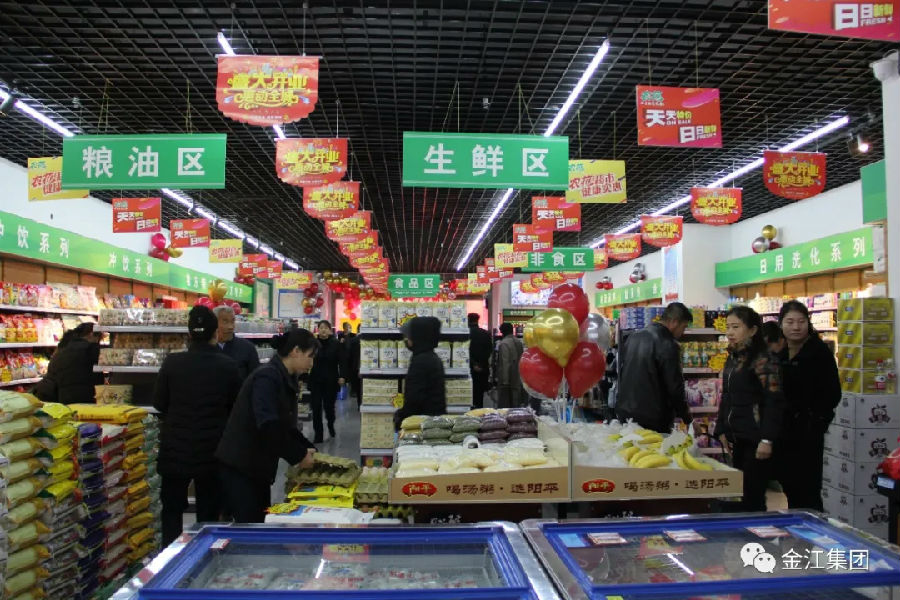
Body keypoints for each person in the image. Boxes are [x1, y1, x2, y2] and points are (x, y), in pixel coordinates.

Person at [153, 306, 241, 545]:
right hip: (212, 450)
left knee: (172, 509)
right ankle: (204, 556)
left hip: (175, 449)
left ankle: (169, 556)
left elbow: (159, 403)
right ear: (215, 333)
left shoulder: (172, 363)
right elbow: (236, 407)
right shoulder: (228, 366)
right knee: (208, 512)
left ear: (189, 334)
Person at [216, 328, 319, 523]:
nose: (312, 363)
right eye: (310, 356)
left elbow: (284, 425)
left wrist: (307, 448)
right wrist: (298, 455)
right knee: (250, 525)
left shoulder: (283, 377)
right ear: (296, 351)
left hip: (257, 467)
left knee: (259, 519)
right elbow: (268, 425)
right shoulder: (267, 378)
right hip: (242, 467)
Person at [713, 306, 785, 512]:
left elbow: (774, 400)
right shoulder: (734, 357)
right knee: (741, 493)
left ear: (753, 330)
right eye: (728, 327)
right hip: (738, 437)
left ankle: (759, 531)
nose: (730, 332)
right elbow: (727, 395)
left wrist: (767, 439)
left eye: (736, 327)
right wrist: (722, 428)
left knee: (753, 496)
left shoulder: (763, 359)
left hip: (756, 438)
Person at [773, 300, 842, 511]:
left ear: (808, 323)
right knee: (789, 485)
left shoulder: (819, 352)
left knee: (808, 488)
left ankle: (811, 526)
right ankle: (795, 525)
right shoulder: (780, 352)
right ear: (781, 324)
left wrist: (817, 420)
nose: (796, 327)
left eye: (801, 321)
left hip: (808, 431)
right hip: (783, 430)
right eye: (790, 322)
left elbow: (832, 393)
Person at [615, 302, 693, 433]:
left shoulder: (634, 336)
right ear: (674, 322)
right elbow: (675, 387)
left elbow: (623, 373)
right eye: (683, 327)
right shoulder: (668, 344)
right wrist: (687, 418)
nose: (682, 332)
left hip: (625, 413)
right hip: (652, 420)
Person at [394, 316, 446, 430]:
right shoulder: (431, 357)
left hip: (423, 424)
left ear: (419, 337)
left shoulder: (421, 361)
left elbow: (414, 398)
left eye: (409, 337)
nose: (406, 340)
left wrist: (402, 418)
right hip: (432, 420)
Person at [33, 322, 102, 404]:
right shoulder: (90, 348)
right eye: (98, 339)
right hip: (82, 398)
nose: (98, 342)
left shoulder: (63, 347)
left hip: (57, 396)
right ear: (91, 334)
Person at [308, 320, 347, 443]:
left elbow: (342, 361)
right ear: (318, 330)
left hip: (331, 380)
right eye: (321, 328)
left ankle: (330, 424)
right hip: (315, 380)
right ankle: (318, 434)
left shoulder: (336, 344)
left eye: (326, 328)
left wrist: (342, 376)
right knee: (316, 407)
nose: (323, 330)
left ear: (330, 330)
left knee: (329, 407)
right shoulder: (313, 344)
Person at [213, 305, 260, 381]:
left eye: (232, 321)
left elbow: (256, 379)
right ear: (214, 323)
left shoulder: (248, 348)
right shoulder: (205, 349)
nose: (230, 327)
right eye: (225, 321)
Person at [496, 322, 525, 408]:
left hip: (508, 377)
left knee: (505, 404)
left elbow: (505, 363)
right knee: (516, 400)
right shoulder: (518, 342)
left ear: (503, 332)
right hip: (518, 375)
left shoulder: (504, 343)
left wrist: (505, 381)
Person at [468, 313, 492, 409]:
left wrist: (473, 364)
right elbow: (489, 350)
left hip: (469, 368)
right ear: (477, 320)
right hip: (483, 369)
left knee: (469, 393)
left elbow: (465, 351)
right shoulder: (485, 333)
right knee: (480, 394)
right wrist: (480, 364)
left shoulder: (466, 333)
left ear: (468, 320)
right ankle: (479, 411)